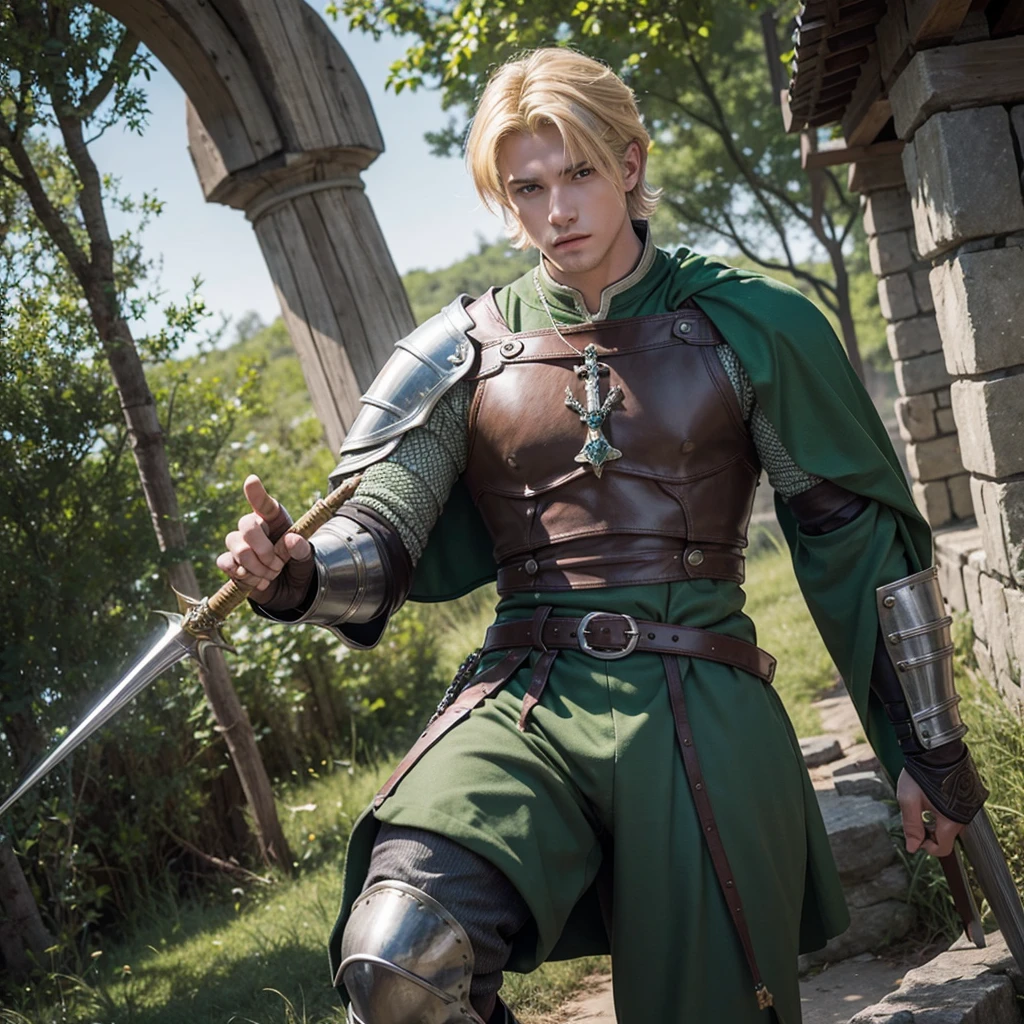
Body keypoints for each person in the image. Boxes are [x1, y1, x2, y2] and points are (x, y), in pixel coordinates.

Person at [217, 47, 988, 1024]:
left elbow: (855, 539)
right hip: (525, 696)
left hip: (700, 694)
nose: (556, 211)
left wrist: (929, 747)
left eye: (578, 173)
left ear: (629, 163)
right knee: (400, 956)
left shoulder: (746, 322)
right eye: (526, 187)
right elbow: (381, 529)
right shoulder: (462, 352)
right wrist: (293, 573)